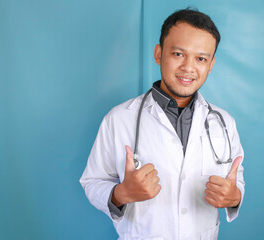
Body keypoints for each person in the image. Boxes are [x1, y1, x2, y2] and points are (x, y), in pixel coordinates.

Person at [80, 8, 245, 239]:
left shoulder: (224, 122)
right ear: (159, 54)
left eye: (200, 58)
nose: (188, 67)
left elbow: (236, 179)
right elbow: (92, 181)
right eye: (178, 54)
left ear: (211, 64)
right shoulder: (119, 119)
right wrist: (120, 193)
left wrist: (235, 197)